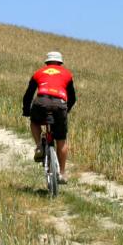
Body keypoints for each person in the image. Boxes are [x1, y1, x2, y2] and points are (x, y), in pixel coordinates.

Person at [22, 51, 76, 183]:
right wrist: (65, 111)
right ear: (60, 63)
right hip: (60, 105)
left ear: (47, 63)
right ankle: (62, 173)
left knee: (34, 122)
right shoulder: (67, 74)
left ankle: (40, 145)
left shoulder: (39, 73)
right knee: (61, 141)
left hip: (41, 102)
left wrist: (26, 111)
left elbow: (28, 95)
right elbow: (73, 98)